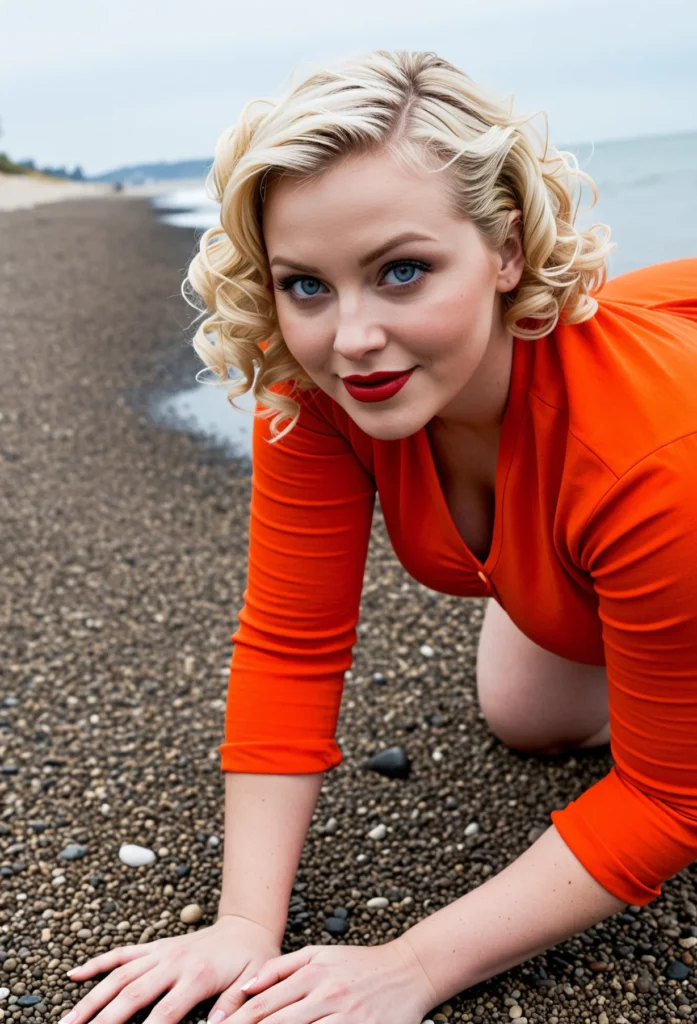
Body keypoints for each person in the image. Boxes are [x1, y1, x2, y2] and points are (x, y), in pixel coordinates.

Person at [58, 48, 697, 1024]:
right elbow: (290, 643)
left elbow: (666, 800)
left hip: (668, 456)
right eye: (306, 284)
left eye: (402, 271)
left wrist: (416, 963)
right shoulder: (322, 383)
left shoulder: (649, 457)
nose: (351, 337)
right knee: (530, 715)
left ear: (506, 249)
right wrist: (243, 926)